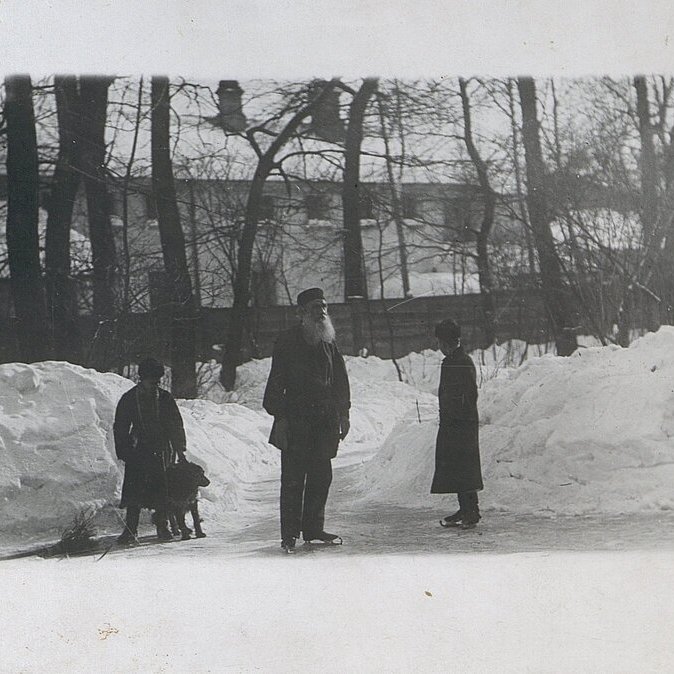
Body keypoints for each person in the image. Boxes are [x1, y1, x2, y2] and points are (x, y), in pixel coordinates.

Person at [263, 287, 351, 553]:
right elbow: (275, 383)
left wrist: (344, 413)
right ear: (301, 313)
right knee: (293, 480)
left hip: (324, 421)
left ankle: (313, 528)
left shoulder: (328, 342)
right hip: (297, 421)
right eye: (315, 307)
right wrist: (281, 417)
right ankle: (289, 535)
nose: (322, 312)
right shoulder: (287, 341)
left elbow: (340, 381)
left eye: (324, 306)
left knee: (321, 477)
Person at [113, 357, 187, 543]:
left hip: (161, 450)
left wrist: (179, 449)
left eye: (158, 380)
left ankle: (162, 527)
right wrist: (124, 450)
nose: (155, 383)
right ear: (142, 378)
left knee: (162, 489)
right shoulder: (129, 398)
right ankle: (130, 529)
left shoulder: (165, 398)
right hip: (138, 451)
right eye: (151, 379)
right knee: (134, 490)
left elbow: (175, 425)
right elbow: (120, 426)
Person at [431, 319, 484, 529]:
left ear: (448, 342)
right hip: (453, 424)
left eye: (442, 342)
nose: (440, 346)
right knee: (457, 469)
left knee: (465, 469)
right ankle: (464, 509)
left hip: (462, 424)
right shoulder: (452, 360)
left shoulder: (462, 361)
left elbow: (470, 394)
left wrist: (456, 417)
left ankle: (472, 511)